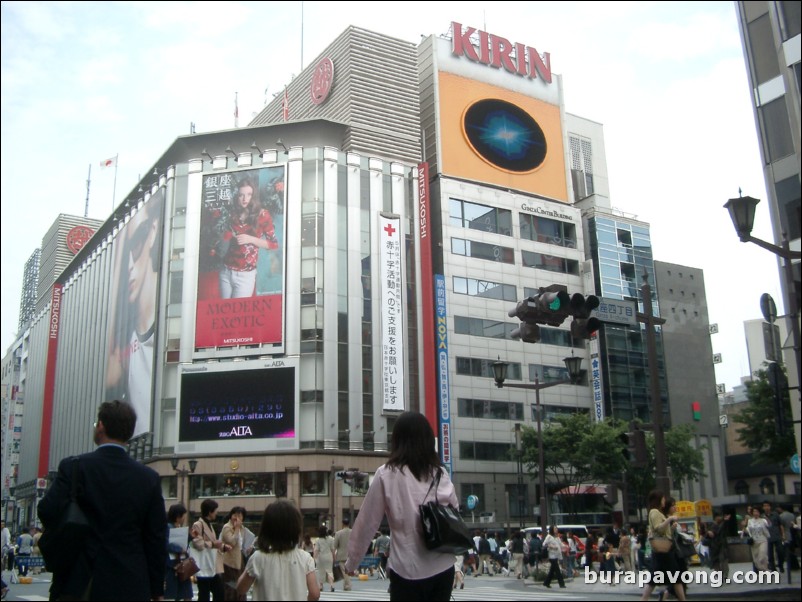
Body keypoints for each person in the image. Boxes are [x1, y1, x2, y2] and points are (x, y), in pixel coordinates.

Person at [38, 400, 167, 600]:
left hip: (79, 579)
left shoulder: (74, 467)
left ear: (101, 426)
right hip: (130, 582)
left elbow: (47, 510)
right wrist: (157, 589)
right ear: (129, 433)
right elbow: (156, 538)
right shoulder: (147, 478)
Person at [343, 411, 458, 601]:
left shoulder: (386, 474)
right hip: (442, 567)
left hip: (407, 569)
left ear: (397, 440)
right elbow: (453, 512)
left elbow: (367, 522)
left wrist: (352, 562)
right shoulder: (440, 473)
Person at [105, 192, 164, 437]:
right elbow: (109, 375)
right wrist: (121, 246)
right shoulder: (128, 336)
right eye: (125, 252)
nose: (129, 264)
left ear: (152, 231)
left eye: (136, 244)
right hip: (140, 450)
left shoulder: (172, 315)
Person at [236, 500, 319, 602]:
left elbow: (241, 589)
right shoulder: (305, 558)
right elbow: (315, 594)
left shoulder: (258, 558)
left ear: (266, 528)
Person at [216, 176, 278, 299]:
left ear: (253, 195)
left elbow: (273, 244)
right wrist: (227, 236)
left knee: (237, 315)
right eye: (241, 195)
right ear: (236, 196)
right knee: (224, 313)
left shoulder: (263, 215)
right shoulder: (232, 213)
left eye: (249, 195)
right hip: (225, 271)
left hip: (245, 275)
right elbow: (224, 236)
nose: (245, 199)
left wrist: (250, 239)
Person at [639, 490, 685, 601]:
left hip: (663, 551)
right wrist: (670, 519)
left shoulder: (657, 512)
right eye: (663, 499)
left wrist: (671, 528)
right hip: (663, 552)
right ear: (658, 500)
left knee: (658, 578)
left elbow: (662, 530)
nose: (664, 501)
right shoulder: (654, 512)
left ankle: (644, 599)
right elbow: (658, 528)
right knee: (675, 577)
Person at [191, 498, 232, 601]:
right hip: (204, 564)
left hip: (211, 564)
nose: (216, 513)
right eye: (215, 510)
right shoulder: (197, 525)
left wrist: (223, 547)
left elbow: (213, 543)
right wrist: (213, 544)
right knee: (205, 594)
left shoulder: (209, 525)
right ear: (210, 511)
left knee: (219, 591)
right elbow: (197, 543)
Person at [165, 503, 194, 602]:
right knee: (178, 593)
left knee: (184, 593)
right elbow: (165, 544)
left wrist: (191, 536)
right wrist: (179, 549)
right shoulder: (168, 527)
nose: (184, 518)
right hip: (173, 565)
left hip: (178, 564)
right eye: (183, 516)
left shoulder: (175, 527)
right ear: (178, 517)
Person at [221, 506, 250, 601]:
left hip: (240, 561)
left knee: (241, 586)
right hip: (230, 563)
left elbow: (241, 546)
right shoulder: (227, 527)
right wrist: (237, 528)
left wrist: (248, 549)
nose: (236, 517)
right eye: (234, 515)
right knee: (231, 588)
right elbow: (232, 542)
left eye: (239, 515)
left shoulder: (243, 529)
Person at [703, 512, 731, 580]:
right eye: (719, 516)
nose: (720, 518)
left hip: (721, 546)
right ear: (716, 518)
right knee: (716, 561)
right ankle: (720, 574)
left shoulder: (720, 524)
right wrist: (708, 533)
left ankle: (724, 575)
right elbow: (708, 534)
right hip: (714, 545)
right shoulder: (712, 524)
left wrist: (725, 521)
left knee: (723, 561)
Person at [762, 501, 784, 572]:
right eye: (765, 506)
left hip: (777, 536)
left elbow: (780, 525)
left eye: (768, 505)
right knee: (770, 554)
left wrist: (783, 534)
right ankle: (773, 567)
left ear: (770, 507)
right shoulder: (762, 516)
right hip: (767, 537)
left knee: (780, 551)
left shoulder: (775, 514)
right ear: (763, 507)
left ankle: (781, 565)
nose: (766, 507)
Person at [746, 505, 770, 571]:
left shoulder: (763, 520)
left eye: (757, 511)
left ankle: (766, 569)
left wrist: (767, 519)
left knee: (762, 556)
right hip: (754, 541)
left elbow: (769, 525)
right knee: (756, 559)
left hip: (763, 540)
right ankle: (763, 570)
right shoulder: (750, 521)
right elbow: (748, 530)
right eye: (754, 511)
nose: (755, 513)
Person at [313, 525, 335, 592]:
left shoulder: (318, 540)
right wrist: (334, 557)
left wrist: (314, 558)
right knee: (329, 571)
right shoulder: (331, 539)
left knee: (321, 571)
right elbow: (333, 549)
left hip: (321, 557)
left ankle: (321, 586)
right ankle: (332, 585)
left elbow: (316, 550)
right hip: (329, 556)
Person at [333, 517, 352, 591]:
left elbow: (335, 545)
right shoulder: (353, 532)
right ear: (349, 524)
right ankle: (346, 585)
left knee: (344, 571)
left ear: (342, 524)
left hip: (341, 555)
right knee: (348, 570)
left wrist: (334, 555)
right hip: (350, 554)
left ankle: (348, 585)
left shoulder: (338, 533)